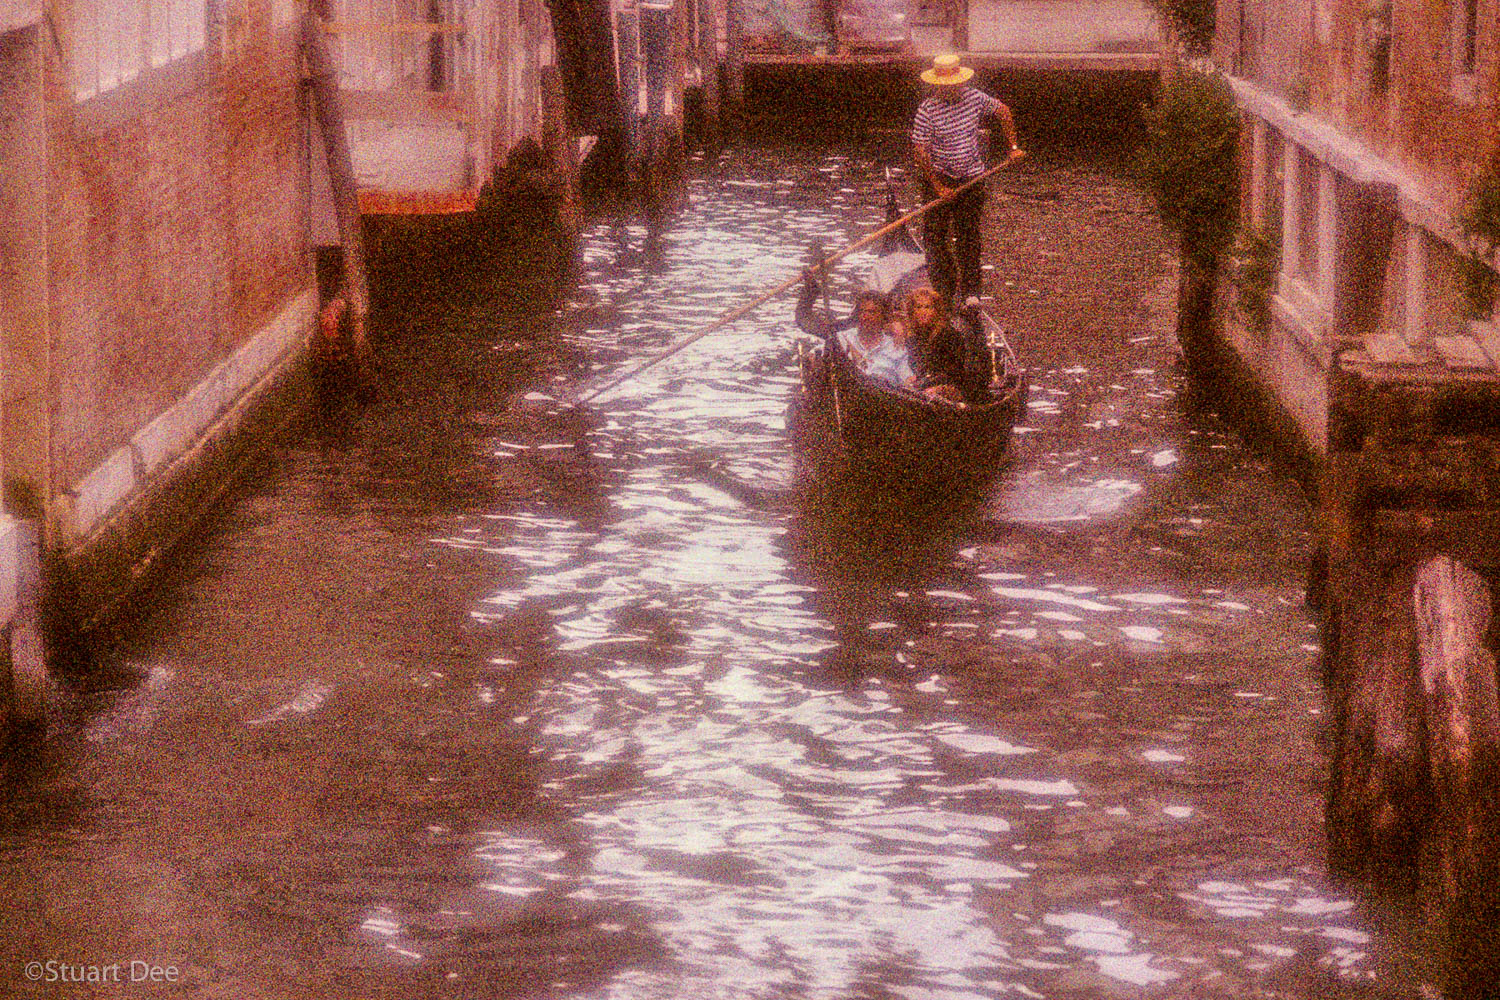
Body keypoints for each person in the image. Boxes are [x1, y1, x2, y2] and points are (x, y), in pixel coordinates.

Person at [911, 53, 1025, 307]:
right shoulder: (927, 109)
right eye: (947, 86)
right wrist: (938, 186)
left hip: (972, 177)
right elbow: (920, 150)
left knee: (968, 236)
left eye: (956, 85)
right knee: (935, 239)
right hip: (939, 176)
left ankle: (971, 292)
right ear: (938, 85)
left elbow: (1003, 111)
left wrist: (1013, 147)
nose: (953, 89)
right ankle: (944, 290)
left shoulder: (974, 97)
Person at [796, 278, 913, 388]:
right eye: (862, 312)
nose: (865, 317)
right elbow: (815, 355)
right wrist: (813, 360)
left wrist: (911, 381)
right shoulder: (842, 338)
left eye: (872, 312)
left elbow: (907, 378)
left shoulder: (896, 347)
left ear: (883, 316)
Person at [904, 286, 978, 405]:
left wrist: (939, 388)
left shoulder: (949, 335)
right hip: (921, 390)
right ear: (912, 311)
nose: (923, 312)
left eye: (928, 307)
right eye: (918, 307)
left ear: (936, 310)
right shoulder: (911, 339)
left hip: (948, 390)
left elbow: (957, 373)